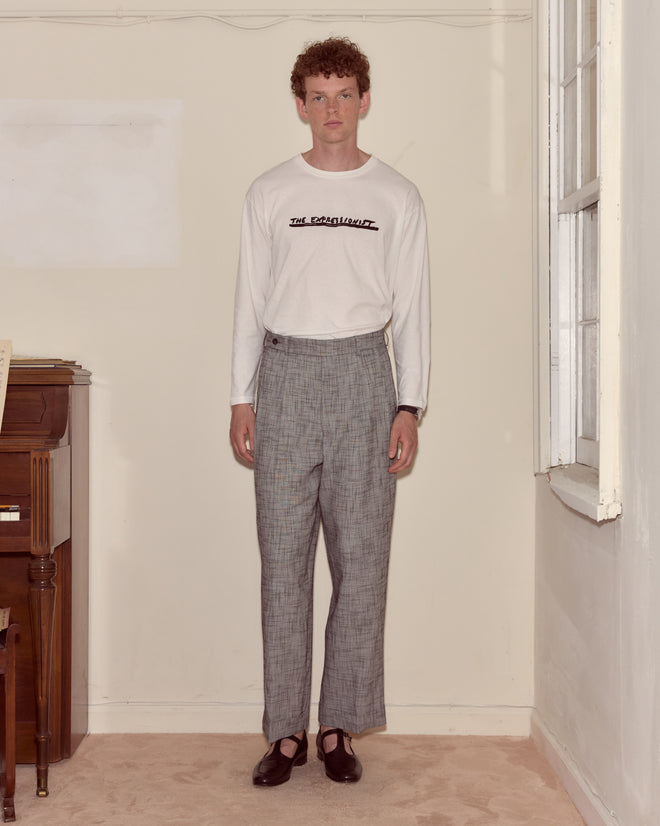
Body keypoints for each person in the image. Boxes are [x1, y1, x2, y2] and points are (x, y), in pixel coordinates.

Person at [229, 36, 430, 787]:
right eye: (319, 96)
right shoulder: (270, 192)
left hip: (363, 377)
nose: (332, 110)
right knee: (283, 562)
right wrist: (241, 394)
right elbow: (249, 299)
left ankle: (340, 724)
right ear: (301, 105)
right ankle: (286, 732)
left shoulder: (396, 196)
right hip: (284, 375)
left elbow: (414, 308)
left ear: (364, 100)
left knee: (362, 562)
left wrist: (409, 404)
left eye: (345, 95)